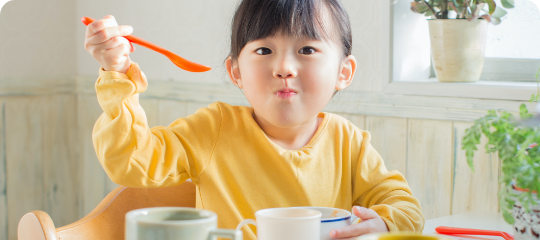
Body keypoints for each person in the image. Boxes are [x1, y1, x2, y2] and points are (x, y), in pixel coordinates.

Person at [84, 0, 424, 239]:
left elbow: (405, 207)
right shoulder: (213, 130)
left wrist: (384, 224)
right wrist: (117, 74)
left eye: (307, 50)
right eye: (264, 51)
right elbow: (130, 162)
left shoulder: (348, 143)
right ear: (236, 72)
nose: (284, 68)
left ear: (343, 72)